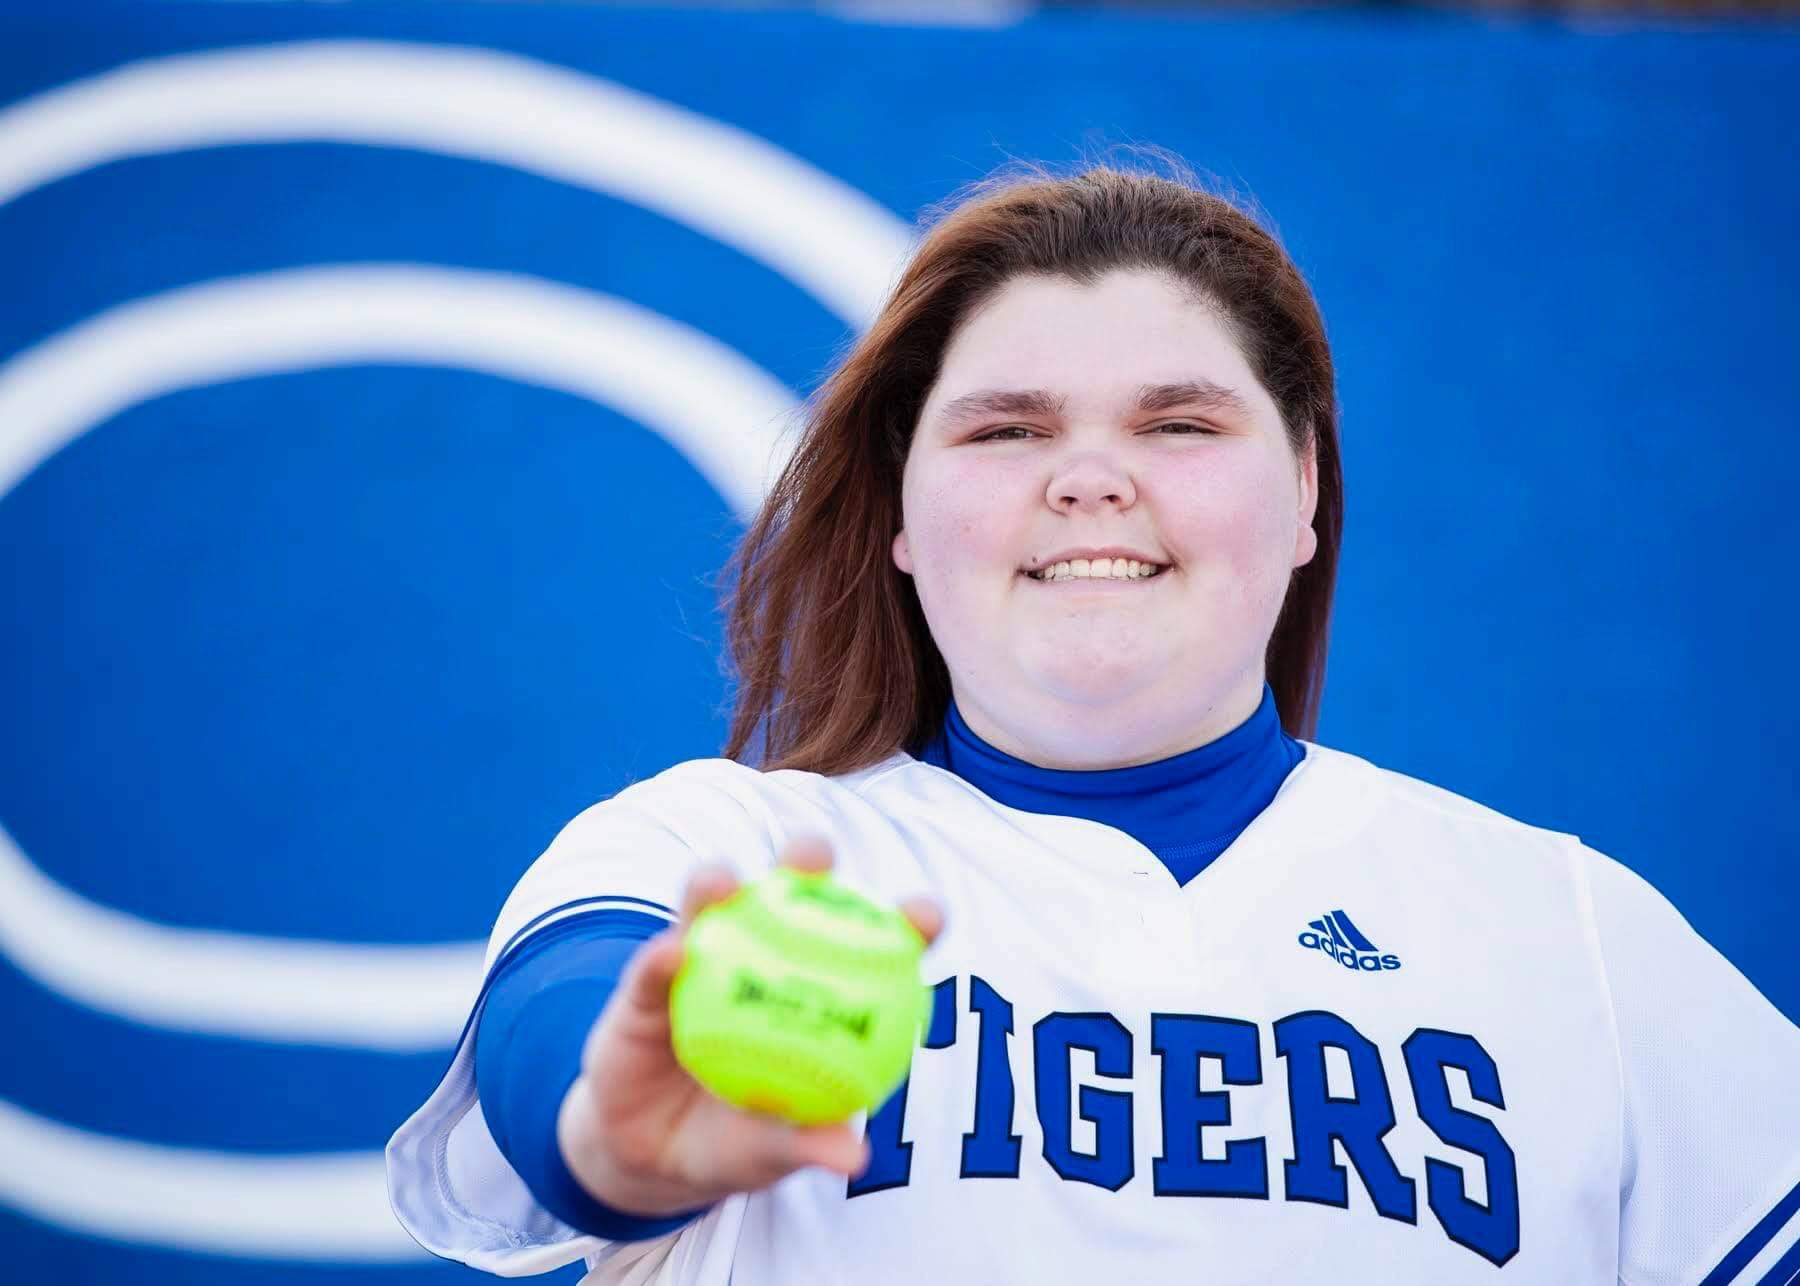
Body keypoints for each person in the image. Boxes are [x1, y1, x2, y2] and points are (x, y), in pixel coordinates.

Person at [385, 159, 1800, 1284]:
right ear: (897, 513)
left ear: (1307, 489)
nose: (1090, 479)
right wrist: (617, 1139)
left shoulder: (1571, 935)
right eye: (1006, 430)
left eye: (1179, 425)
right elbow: (558, 1037)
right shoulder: (734, 847)